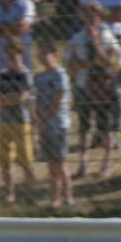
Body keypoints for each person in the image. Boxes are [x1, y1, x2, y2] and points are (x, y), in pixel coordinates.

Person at [63, 1, 121, 179]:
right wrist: (93, 62)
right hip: (83, 86)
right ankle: (83, 164)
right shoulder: (77, 38)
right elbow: (70, 64)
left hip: (104, 88)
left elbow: (112, 64)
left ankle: (107, 163)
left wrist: (96, 45)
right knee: (83, 128)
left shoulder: (108, 37)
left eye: (94, 15)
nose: (90, 19)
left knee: (106, 128)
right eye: (87, 15)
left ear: (100, 17)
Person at [34, 39, 73, 209]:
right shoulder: (39, 77)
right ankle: (54, 198)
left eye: (45, 54)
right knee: (51, 164)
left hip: (58, 124)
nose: (41, 57)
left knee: (60, 163)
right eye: (39, 54)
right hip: (44, 124)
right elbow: (36, 100)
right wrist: (39, 119)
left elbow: (58, 101)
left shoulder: (60, 75)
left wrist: (43, 117)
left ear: (53, 55)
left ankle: (68, 197)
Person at [0, 38, 36, 204]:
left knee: (25, 161)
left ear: (21, 53)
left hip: (21, 121)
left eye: (15, 53)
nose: (12, 56)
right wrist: (10, 98)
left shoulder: (25, 74)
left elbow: (22, 98)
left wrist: (8, 98)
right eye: (9, 53)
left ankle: (30, 194)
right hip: (4, 121)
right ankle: (9, 194)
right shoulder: (2, 74)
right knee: (5, 162)